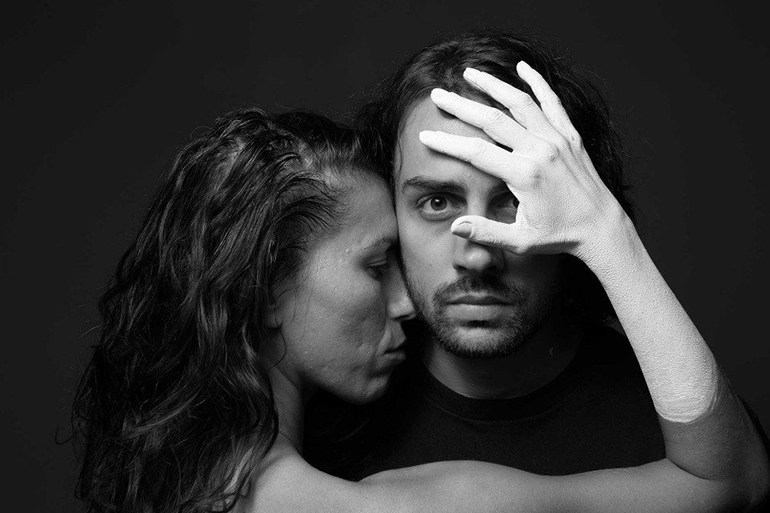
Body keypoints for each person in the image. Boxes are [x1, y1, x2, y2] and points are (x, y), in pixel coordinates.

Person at [72, 106, 766, 513]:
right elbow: (725, 477)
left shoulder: (156, 481)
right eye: (377, 267)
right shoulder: (411, 505)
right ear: (267, 286)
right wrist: (606, 235)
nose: (407, 301)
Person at [305, 30, 770, 507]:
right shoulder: (322, 422)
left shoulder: (681, 426)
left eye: (513, 200)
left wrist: (608, 231)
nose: (477, 256)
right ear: (389, 210)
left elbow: (740, 482)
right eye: (437, 202)